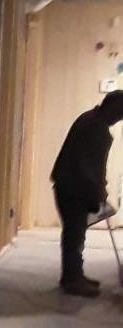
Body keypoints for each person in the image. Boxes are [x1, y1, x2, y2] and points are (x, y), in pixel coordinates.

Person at [50, 90, 123, 295]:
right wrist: (99, 192)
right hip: (73, 188)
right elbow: (93, 167)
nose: (119, 119)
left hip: (69, 185)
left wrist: (99, 191)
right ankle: (72, 280)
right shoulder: (97, 128)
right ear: (112, 107)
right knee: (74, 235)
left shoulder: (89, 118)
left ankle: (74, 274)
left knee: (76, 233)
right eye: (120, 113)